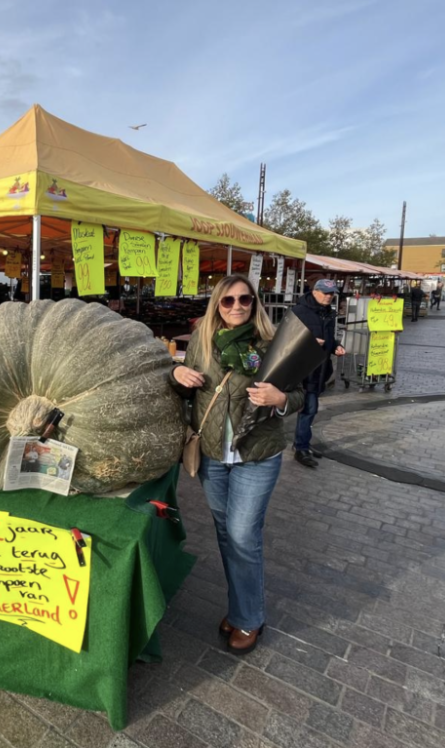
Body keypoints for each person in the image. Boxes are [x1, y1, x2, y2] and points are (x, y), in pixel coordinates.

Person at [170, 275, 304, 655]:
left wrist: (279, 397)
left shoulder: (272, 342)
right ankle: (241, 608)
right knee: (227, 535)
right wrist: (176, 373)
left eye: (245, 299)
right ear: (217, 304)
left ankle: (249, 618)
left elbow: (299, 394)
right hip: (213, 455)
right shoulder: (202, 340)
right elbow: (184, 385)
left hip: (257, 455)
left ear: (255, 302)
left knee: (243, 536)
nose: (237, 306)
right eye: (227, 300)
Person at [290, 279, 346, 468]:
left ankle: (303, 444)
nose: (329, 296)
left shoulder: (328, 314)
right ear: (314, 292)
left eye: (332, 294)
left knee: (309, 410)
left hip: (321, 370)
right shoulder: (298, 312)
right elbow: (285, 340)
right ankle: (301, 447)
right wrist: (309, 341)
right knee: (309, 409)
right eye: (325, 293)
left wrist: (335, 346)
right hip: (304, 371)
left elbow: (328, 339)